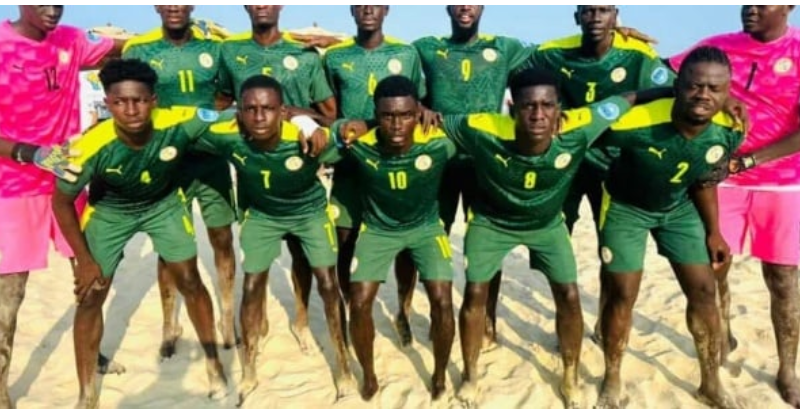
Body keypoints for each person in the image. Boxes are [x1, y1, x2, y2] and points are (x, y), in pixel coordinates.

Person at [428, 68, 670, 408]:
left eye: (547, 105)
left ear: (560, 109)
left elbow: (627, 99)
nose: (538, 114)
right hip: (491, 222)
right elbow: (433, 120)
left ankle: (570, 376)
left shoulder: (580, 125)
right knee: (475, 293)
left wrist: (680, 90)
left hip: (546, 225)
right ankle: (470, 376)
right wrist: (418, 113)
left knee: (569, 295)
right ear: (512, 108)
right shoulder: (481, 128)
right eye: (529, 106)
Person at [51, 58, 228, 408]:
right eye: (120, 102)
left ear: (154, 100)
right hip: (110, 212)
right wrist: (84, 261)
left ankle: (214, 367)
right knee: (90, 295)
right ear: (108, 102)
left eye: (140, 100)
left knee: (190, 281)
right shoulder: (87, 146)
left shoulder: (180, 121)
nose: (131, 109)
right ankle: (87, 395)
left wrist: (299, 119)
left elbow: (235, 115)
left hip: (163, 205)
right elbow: (61, 203)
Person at [596, 46, 743, 409]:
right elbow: (579, 130)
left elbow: (704, 179)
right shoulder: (633, 122)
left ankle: (710, 381)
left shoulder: (729, 129)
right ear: (678, 85)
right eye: (694, 86)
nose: (703, 95)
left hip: (678, 210)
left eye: (715, 89)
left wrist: (714, 231)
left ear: (728, 93)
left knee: (705, 291)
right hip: (625, 209)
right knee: (622, 295)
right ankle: (612, 376)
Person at [193, 75, 353, 405]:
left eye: (268, 108)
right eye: (250, 109)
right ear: (239, 112)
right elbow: (182, 122)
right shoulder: (227, 134)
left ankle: (342, 365)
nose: (260, 116)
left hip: (309, 213)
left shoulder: (307, 137)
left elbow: (352, 130)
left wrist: (308, 120)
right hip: (262, 215)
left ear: (282, 111)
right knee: (252, 285)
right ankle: (249, 368)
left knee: (327, 282)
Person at [669, 6, 800, 407]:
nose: (750, 8)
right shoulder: (716, 47)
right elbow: (670, 76)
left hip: (782, 185)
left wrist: (750, 160)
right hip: (717, 180)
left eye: (763, 2)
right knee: (713, 268)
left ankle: (787, 369)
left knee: (782, 281)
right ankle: (722, 331)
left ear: (789, 7)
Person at [521, 5, 676, 341]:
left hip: (614, 164)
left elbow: (678, 88)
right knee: (557, 241)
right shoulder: (552, 53)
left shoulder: (636, 54)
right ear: (576, 17)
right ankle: (567, 318)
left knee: (610, 247)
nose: (595, 17)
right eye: (588, 11)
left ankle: (604, 325)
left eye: (603, 11)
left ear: (615, 16)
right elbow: (511, 70)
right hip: (566, 163)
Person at [0, 5, 123, 408]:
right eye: (42, 2)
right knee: (9, 296)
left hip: (70, 181)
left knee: (92, 278)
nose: (52, 9)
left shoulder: (71, 38)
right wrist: (27, 152)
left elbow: (121, 50)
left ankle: (92, 354)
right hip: (13, 188)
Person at [122, 4, 238, 357]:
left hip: (211, 161)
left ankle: (227, 318)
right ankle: (170, 323)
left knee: (222, 238)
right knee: (169, 248)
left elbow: (229, 91)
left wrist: (206, 120)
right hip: (169, 164)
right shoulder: (140, 50)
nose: (174, 6)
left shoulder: (213, 49)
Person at [219, 5, 337, 349]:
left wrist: (300, 117)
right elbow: (223, 100)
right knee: (259, 253)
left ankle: (301, 316)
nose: (262, 6)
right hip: (254, 169)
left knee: (302, 252)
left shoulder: (304, 54)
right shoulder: (232, 51)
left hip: (298, 166)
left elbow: (330, 114)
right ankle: (259, 318)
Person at [413, 5, 529, 347]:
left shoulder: (505, 48)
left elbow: (557, 62)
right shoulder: (426, 48)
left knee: (486, 244)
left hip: (484, 162)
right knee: (434, 239)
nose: (465, 7)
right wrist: (420, 107)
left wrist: (625, 41)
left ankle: (487, 316)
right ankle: (439, 316)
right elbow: (401, 91)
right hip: (440, 163)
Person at [336, 76, 455, 401]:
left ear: (417, 112)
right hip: (377, 229)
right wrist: (342, 128)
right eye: (387, 115)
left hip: (427, 229)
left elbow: (481, 132)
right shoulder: (359, 143)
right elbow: (320, 145)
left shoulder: (439, 141)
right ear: (376, 113)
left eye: (405, 114)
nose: (397, 123)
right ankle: (370, 375)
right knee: (359, 302)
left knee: (443, 300)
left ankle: (440, 373)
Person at [324, 5, 427, 347]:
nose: (368, 9)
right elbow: (330, 113)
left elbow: (419, 104)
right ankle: (352, 310)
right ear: (352, 11)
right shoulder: (335, 58)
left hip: (396, 164)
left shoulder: (405, 53)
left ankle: (403, 311)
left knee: (404, 245)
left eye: (376, 4)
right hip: (352, 164)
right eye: (361, 4)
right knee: (344, 238)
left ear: (386, 10)